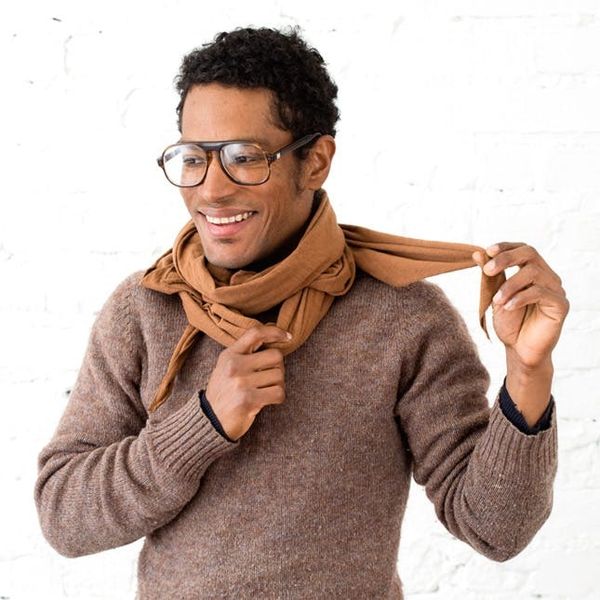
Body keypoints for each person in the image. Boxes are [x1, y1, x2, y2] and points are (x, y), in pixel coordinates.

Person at [34, 26, 569, 599]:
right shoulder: (145, 308)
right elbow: (65, 517)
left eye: (243, 158)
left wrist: (528, 372)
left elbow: (494, 528)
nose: (210, 191)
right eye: (193, 159)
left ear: (315, 162)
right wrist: (204, 423)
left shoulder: (404, 317)